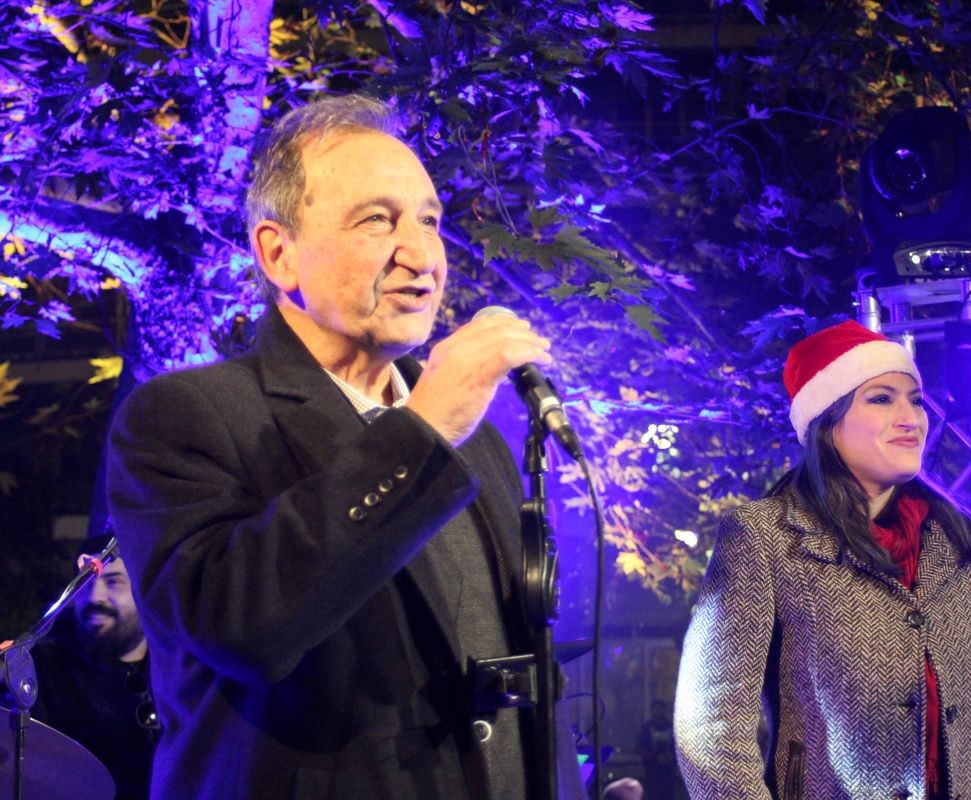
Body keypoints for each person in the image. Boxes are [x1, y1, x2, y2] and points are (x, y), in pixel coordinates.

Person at [107, 94, 585, 799]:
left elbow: (521, 670)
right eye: (376, 221)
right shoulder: (185, 416)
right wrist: (421, 432)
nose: (420, 254)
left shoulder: (475, 434)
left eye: (429, 221)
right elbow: (238, 627)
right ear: (279, 253)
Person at [674, 319, 971, 799]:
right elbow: (711, 729)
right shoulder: (765, 537)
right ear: (827, 422)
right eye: (882, 399)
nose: (911, 418)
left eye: (915, 400)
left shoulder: (960, 542)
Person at [29, 534, 158, 800]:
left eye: (114, 582)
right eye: (86, 582)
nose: (95, 597)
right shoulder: (44, 666)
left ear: (145, 592)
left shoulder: (179, 670)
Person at [635, 700, 676, 799]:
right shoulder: (646, 728)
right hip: (652, 769)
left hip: (668, 770)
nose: (659, 711)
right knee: (653, 794)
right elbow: (639, 747)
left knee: (668, 794)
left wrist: (671, 756)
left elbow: (678, 746)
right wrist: (654, 758)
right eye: (656, 709)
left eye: (661, 709)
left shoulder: (671, 727)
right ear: (652, 711)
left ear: (665, 710)